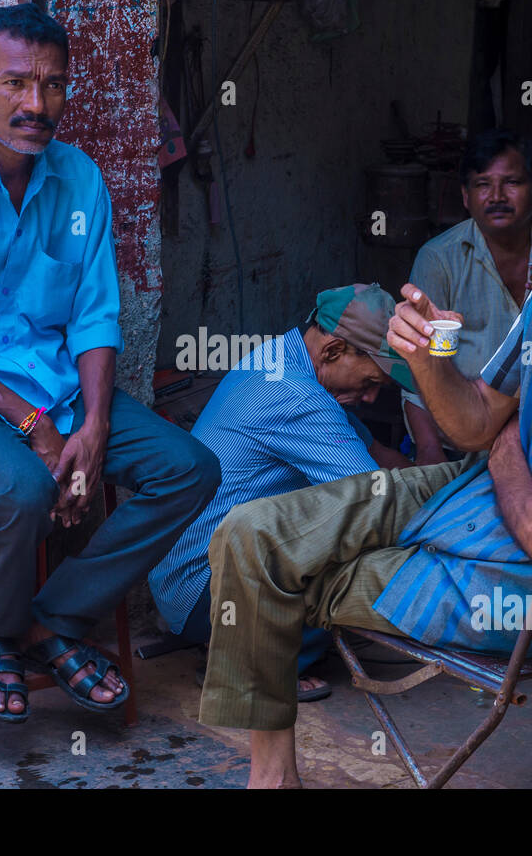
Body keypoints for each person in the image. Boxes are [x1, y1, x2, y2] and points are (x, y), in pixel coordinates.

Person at [197, 88, 532, 787]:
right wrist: (428, 360)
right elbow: (475, 418)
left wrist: (498, 438)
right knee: (249, 532)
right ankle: (276, 779)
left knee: (272, 575)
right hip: (474, 498)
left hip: (522, 588)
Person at [0, 4, 220, 723]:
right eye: (17, 84)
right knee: (26, 487)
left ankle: (43, 623)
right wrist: (34, 423)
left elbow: (95, 315)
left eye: (55, 86)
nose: (38, 105)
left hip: (60, 394)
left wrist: (92, 425)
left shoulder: (79, 181)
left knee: (189, 468)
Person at [148, 284, 413, 701]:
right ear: (332, 351)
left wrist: (436, 476)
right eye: (369, 381)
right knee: (366, 543)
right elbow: (377, 504)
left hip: (183, 580)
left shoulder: (279, 356)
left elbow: (377, 453)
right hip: (202, 592)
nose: (371, 396)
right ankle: (256, 665)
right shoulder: (298, 397)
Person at [403, 129, 532, 464]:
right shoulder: (439, 258)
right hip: (462, 444)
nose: (497, 196)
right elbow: (416, 372)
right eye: (483, 184)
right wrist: (428, 448)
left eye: (512, 183)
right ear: (465, 195)